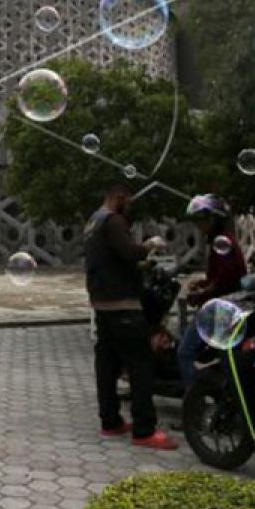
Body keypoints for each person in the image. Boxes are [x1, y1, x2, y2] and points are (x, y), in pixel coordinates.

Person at [84, 183, 178, 449]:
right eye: (129, 201)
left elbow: (111, 258)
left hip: (102, 304)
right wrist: (149, 245)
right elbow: (128, 251)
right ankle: (144, 429)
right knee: (141, 363)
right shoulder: (113, 220)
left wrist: (139, 263)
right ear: (119, 197)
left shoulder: (93, 221)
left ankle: (110, 421)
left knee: (107, 364)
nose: (130, 207)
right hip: (122, 303)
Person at [176, 194, 247, 389]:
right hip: (224, 308)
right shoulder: (221, 241)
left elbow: (226, 282)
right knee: (226, 360)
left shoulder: (223, 243)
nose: (199, 226)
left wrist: (202, 294)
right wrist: (203, 282)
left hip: (220, 310)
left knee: (185, 353)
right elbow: (220, 277)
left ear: (214, 219)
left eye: (202, 220)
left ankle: (196, 406)